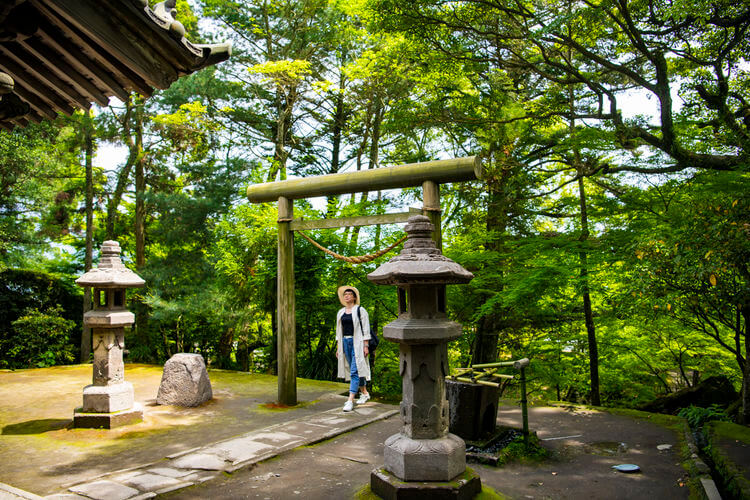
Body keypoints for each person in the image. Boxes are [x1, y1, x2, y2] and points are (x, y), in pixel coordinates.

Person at [335, 285, 371, 412]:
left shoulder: (360, 310)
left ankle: (350, 400)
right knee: (355, 369)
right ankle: (365, 393)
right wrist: (339, 348)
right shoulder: (341, 312)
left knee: (354, 371)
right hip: (345, 342)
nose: (347, 295)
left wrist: (366, 345)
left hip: (358, 343)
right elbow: (339, 331)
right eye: (345, 294)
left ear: (354, 297)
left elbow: (366, 329)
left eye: (349, 294)